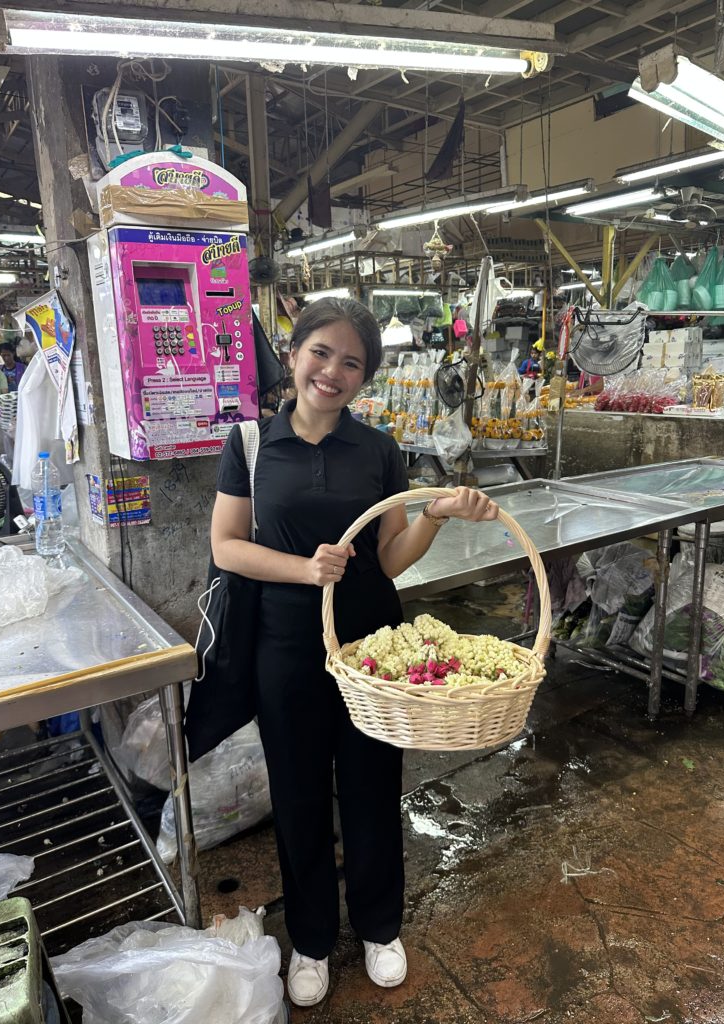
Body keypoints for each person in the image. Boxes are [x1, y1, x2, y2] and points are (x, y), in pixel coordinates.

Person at [210, 298, 496, 1008]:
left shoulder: (377, 450)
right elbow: (226, 546)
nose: (331, 372)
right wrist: (304, 570)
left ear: (364, 376)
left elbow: (391, 557)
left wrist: (432, 516)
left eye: (351, 363)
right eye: (320, 353)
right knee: (300, 796)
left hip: (373, 651)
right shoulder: (250, 445)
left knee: (371, 789)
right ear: (294, 352)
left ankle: (378, 926)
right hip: (286, 646)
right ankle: (309, 940)